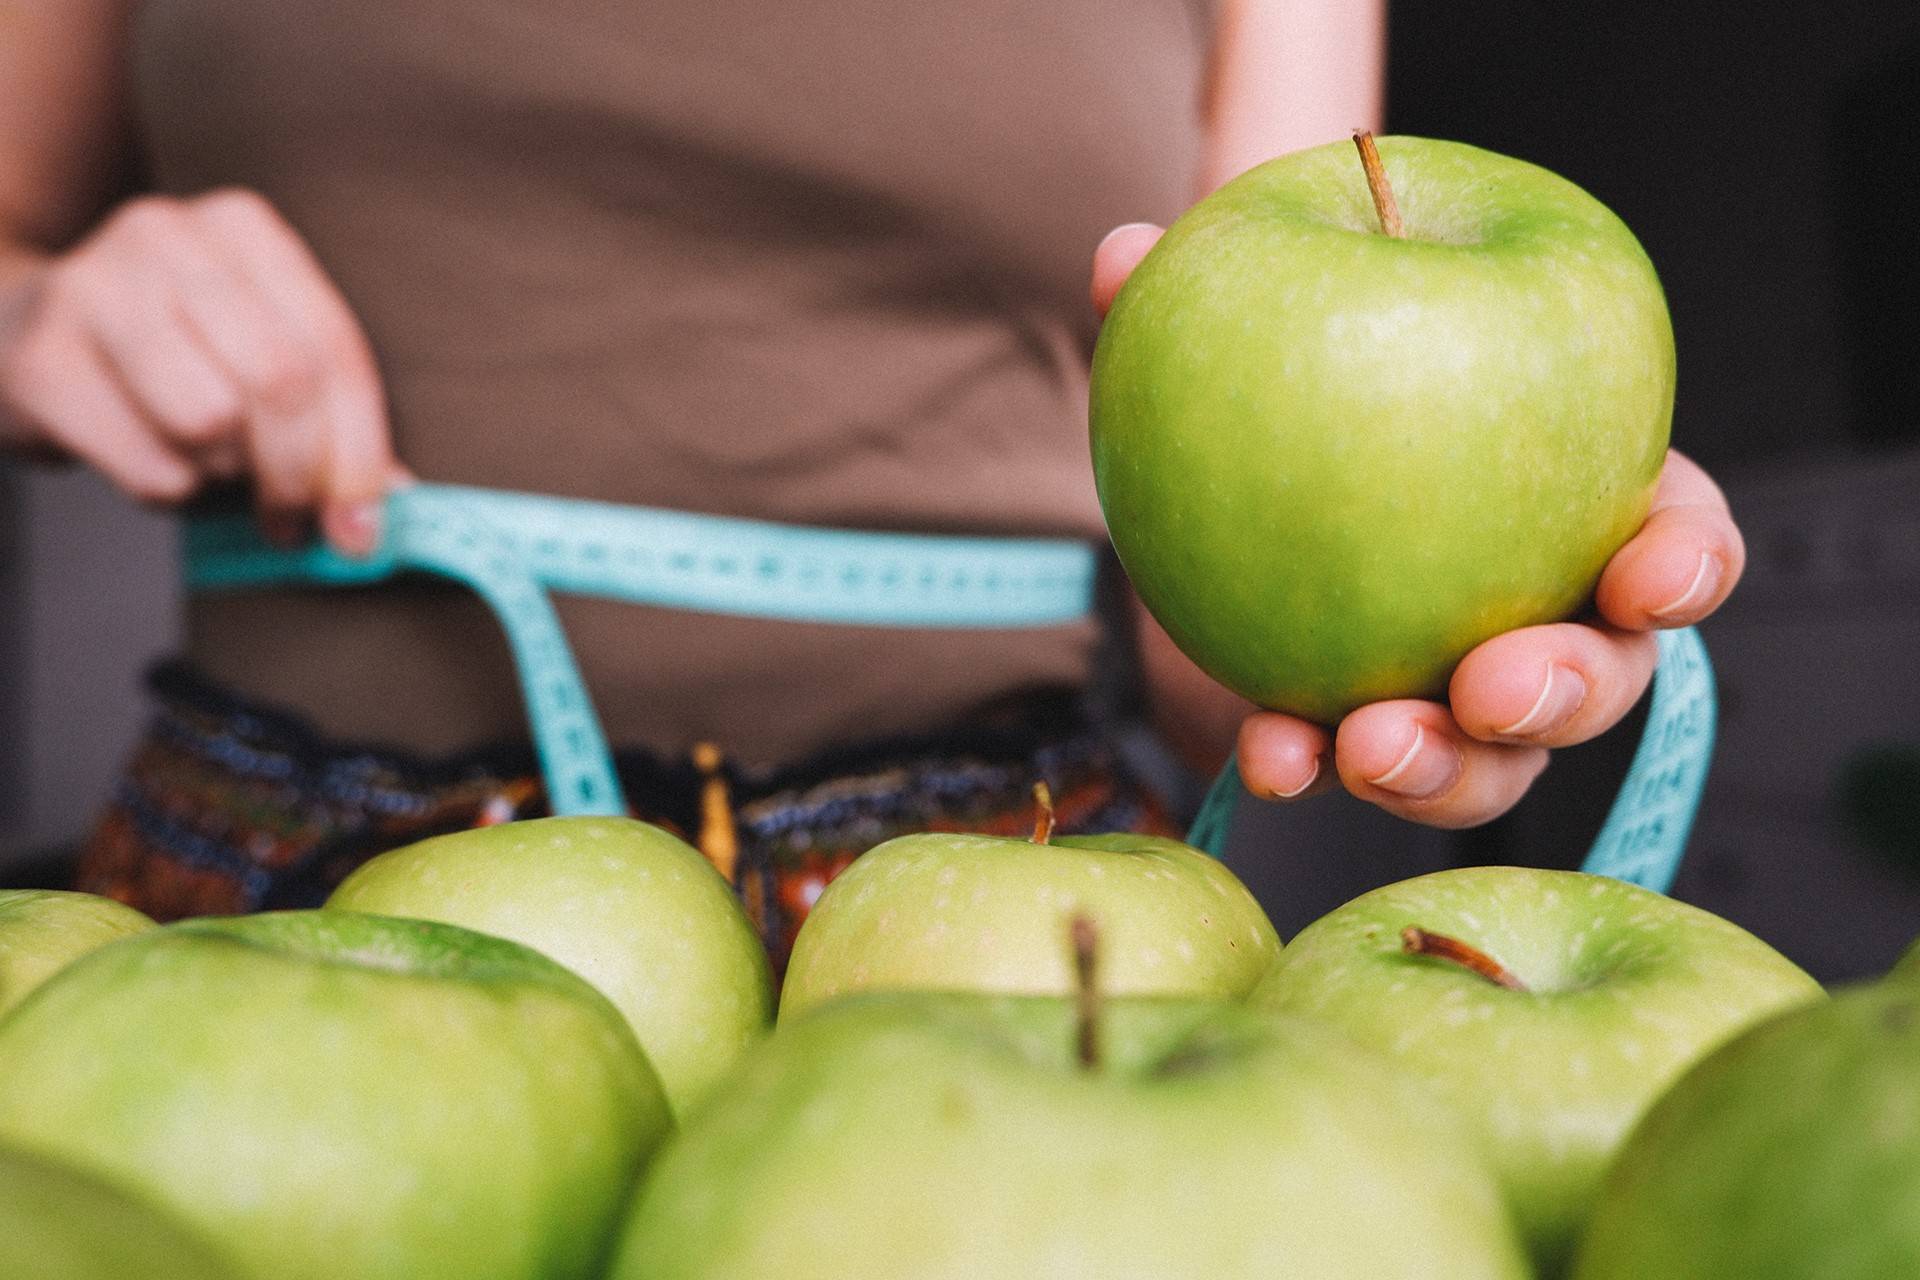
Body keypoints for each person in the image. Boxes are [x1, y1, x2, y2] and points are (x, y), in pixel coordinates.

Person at [0, 1, 1743, 955]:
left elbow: (1229, 647)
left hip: (1005, 920)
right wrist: (44, 312)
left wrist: (1451, 601)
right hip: (269, 901)